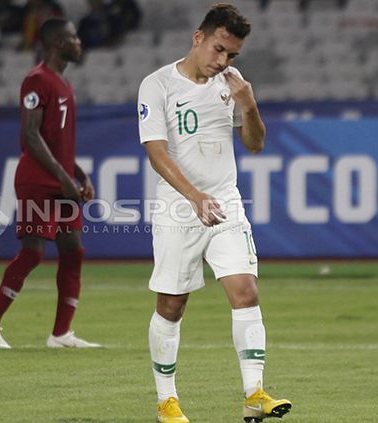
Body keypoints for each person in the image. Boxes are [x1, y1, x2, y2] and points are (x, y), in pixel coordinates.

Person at [137, 4, 292, 422]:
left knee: (246, 292)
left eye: (232, 56)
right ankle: (166, 401)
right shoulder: (157, 86)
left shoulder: (232, 85)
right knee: (171, 305)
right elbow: (156, 152)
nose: (223, 61)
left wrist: (250, 105)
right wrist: (193, 196)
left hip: (226, 204)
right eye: (219, 50)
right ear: (198, 38)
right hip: (177, 208)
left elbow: (255, 144)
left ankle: (254, 393)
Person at [0, 18, 99, 349]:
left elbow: (56, 142)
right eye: (73, 37)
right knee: (32, 253)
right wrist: (63, 176)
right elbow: (30, 135)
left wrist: (80, 174)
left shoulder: (65, 85)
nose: (79, 43)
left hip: (61, 181)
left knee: (73, 251)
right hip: (38, 183)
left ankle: (61, 334)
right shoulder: (36, 80)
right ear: (58, 43)